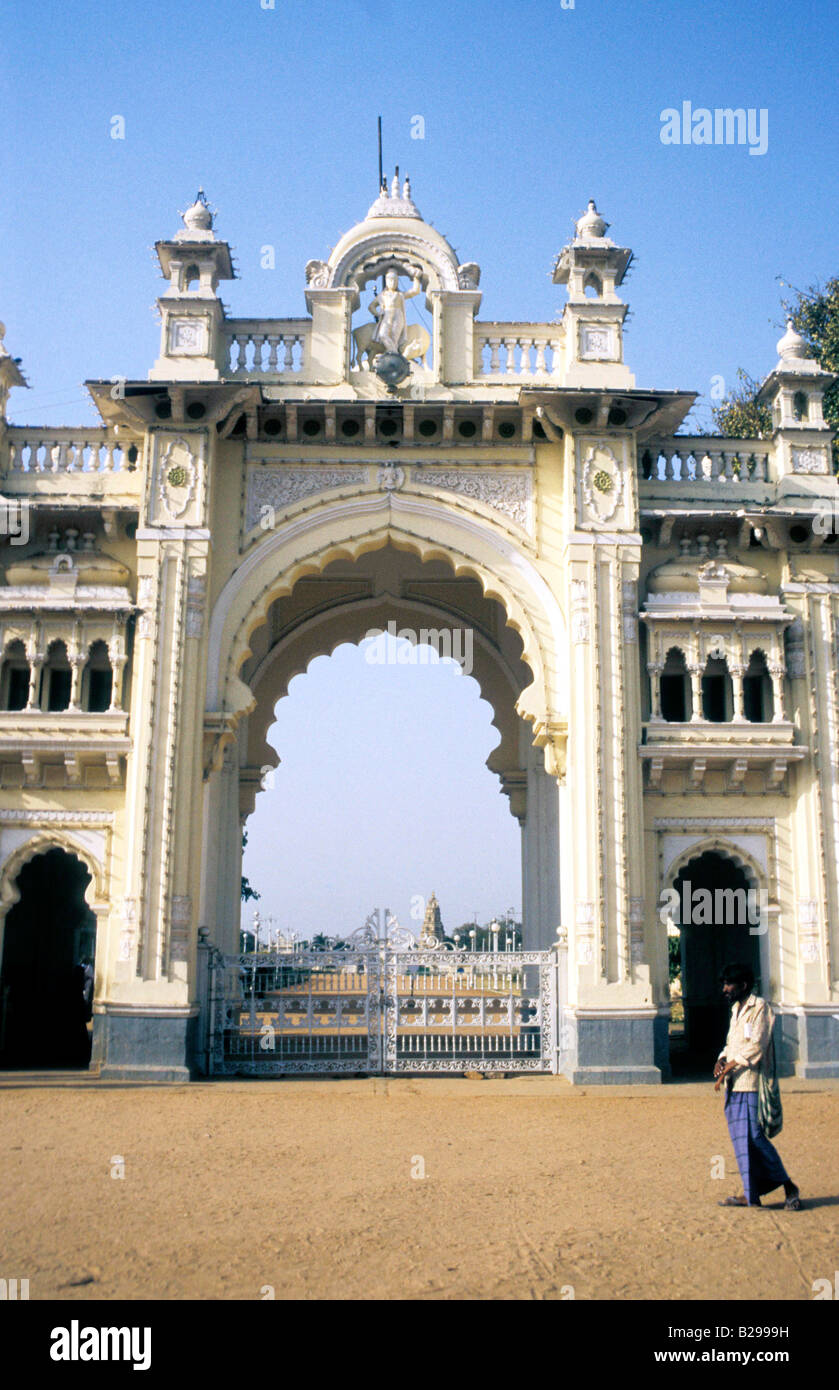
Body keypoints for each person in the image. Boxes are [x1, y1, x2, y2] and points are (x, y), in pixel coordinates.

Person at [713, 962, 801, 1209]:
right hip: (735, 1085)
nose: (725, 989)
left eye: (729, 984)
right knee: (742, 1140)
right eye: (724, 984)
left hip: (751, 1083)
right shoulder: (736, 1010)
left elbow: (756, 1046)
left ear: (743, 985)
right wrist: (721, 1059)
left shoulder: (760, 1008)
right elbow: (732, 1043)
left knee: (755, 1136)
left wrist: (728, 1067)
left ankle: (789, 1186)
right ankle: (750, 1194)